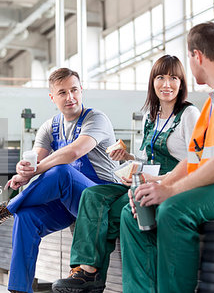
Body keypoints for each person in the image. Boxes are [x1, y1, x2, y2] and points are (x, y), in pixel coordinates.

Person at [120, 22, 214, 293]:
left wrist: (171, 191)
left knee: (175, 209)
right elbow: (195, 159)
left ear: (196, 56)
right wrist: (159, 185)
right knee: (135, 211)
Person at [52, 55, 200, 293]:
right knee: (92, 195)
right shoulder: (151, 117)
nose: (167, 84)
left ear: (182, 83)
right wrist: (128, 158)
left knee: (117, 210)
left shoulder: (189, 114)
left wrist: (156, 180)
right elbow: (145, 159)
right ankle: (85, 270)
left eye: (174, 78)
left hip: (173, 183)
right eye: (160, 77)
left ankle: (93, 275)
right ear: (152, 82)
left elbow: (195, 161)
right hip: (144, 179)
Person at [0, 68, 119, 293]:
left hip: (101, 199)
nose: (70, 97)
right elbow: (35, 159)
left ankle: (6, 209)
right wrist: (23, 170)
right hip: (70, 202)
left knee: (62, 171)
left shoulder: (96, 119)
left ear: (81, 90)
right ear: (52, 97)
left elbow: (74, 152)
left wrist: (38, 169)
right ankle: (19, 289)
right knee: (25, 217)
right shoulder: (49, 127)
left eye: (74, 90)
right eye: (62, 92)